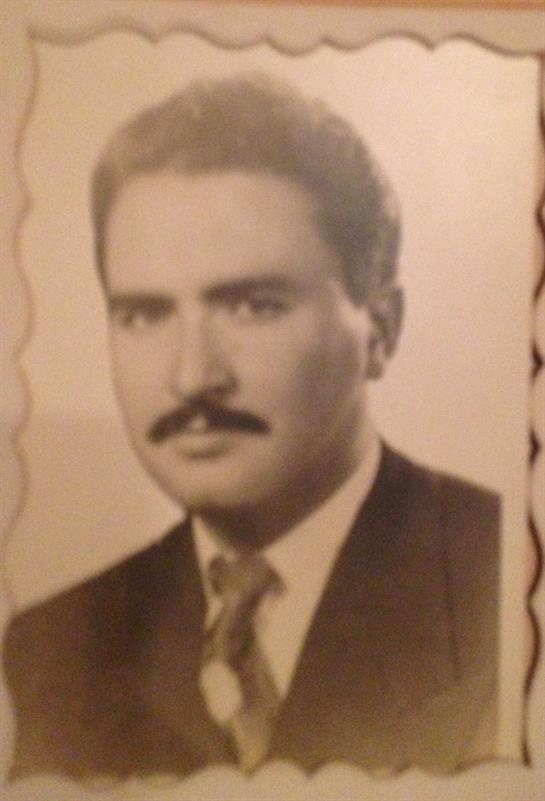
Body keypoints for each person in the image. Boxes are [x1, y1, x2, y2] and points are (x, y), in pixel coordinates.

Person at [3, 73, 500, 781]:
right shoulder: (48, 652)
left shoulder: (504, 582)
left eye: (253, 306)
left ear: (382, 330)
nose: (191, 377)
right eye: (144, 314)